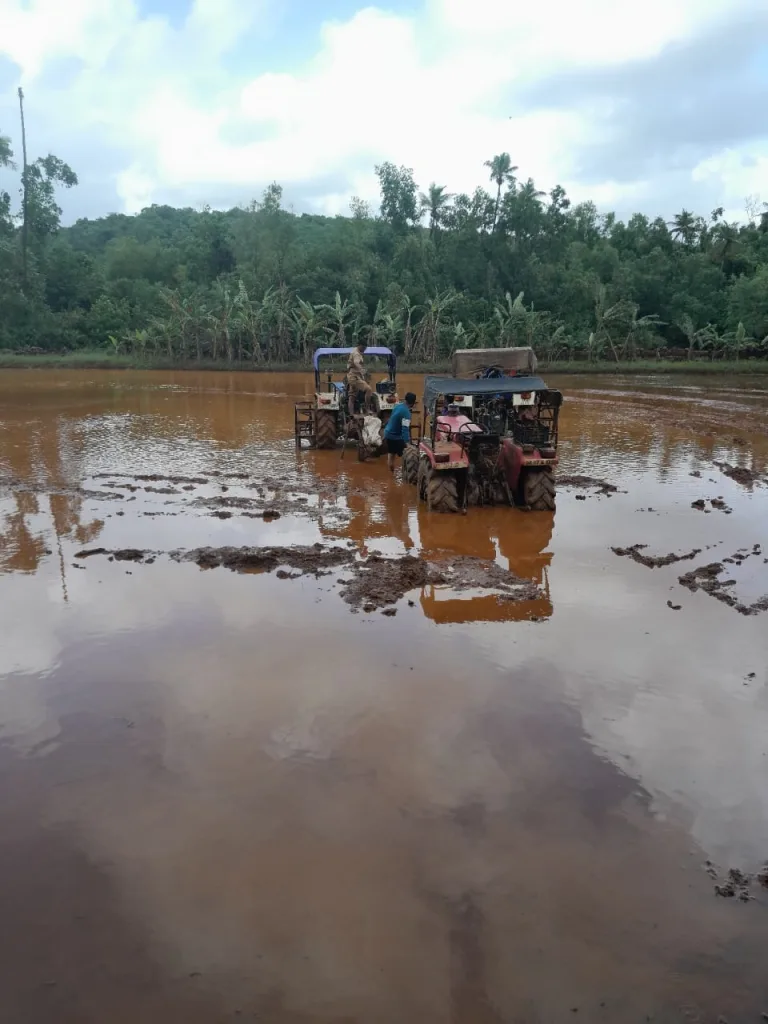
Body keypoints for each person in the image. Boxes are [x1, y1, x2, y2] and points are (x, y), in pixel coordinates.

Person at [384, 392, 416, 473]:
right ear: (413, 403)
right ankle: (405, 475)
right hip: (396, 437)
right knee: (407, 455)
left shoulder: (397, 406)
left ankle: (391, 475)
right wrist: (407, 443)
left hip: (388, 434)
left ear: (405, 400)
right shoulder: (406, 413)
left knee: (391, 455)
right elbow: (405, 429)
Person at [346, 341, 375, 416]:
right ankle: (367, 408)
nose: (365, 350)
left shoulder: (355, 351)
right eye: (364, 348)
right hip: (354, 377)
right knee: (368, 389)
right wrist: (362, 370)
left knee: (352, 396)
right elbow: (356, 362)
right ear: (360, 346)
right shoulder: (356, 354)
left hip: (352, 376)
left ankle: (351, 414)